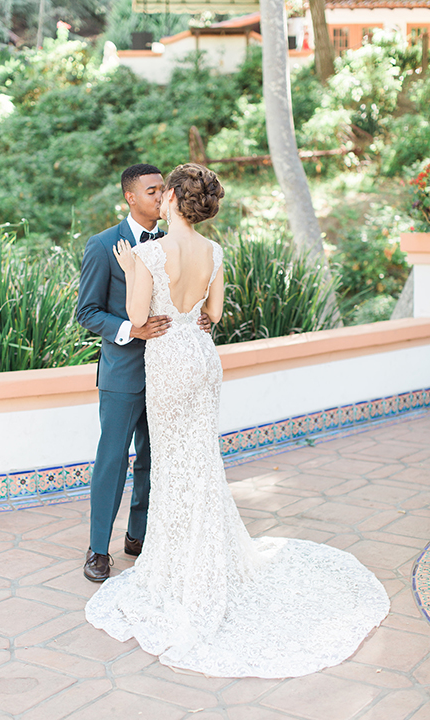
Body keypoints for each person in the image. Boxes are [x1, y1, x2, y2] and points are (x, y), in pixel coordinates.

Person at [85, 163, 389, 678]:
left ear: (174, 199)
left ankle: (171, 559)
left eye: (166, 191)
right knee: (195, 457)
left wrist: (138, 271)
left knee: (174, 460)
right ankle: (146, 549)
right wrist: (192, 314)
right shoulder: (212, 251)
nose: (159, 197)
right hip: (199, 360)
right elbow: (215, 315)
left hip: (168, 364)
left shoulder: (147, 253)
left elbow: (141, 317)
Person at [77, 163, 210, 582]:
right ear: (131, 197)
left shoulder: (177, 243)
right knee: (112, 460)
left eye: (163, 190)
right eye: (152, 191)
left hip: (170, 373)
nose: (160, 196)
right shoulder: (103, 246)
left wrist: (203, 320)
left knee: (155, 458)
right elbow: (87, 312)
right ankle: (99, 548)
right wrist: (131, 329)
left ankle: (138, 535)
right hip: (124, 373)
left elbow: (191, 298)